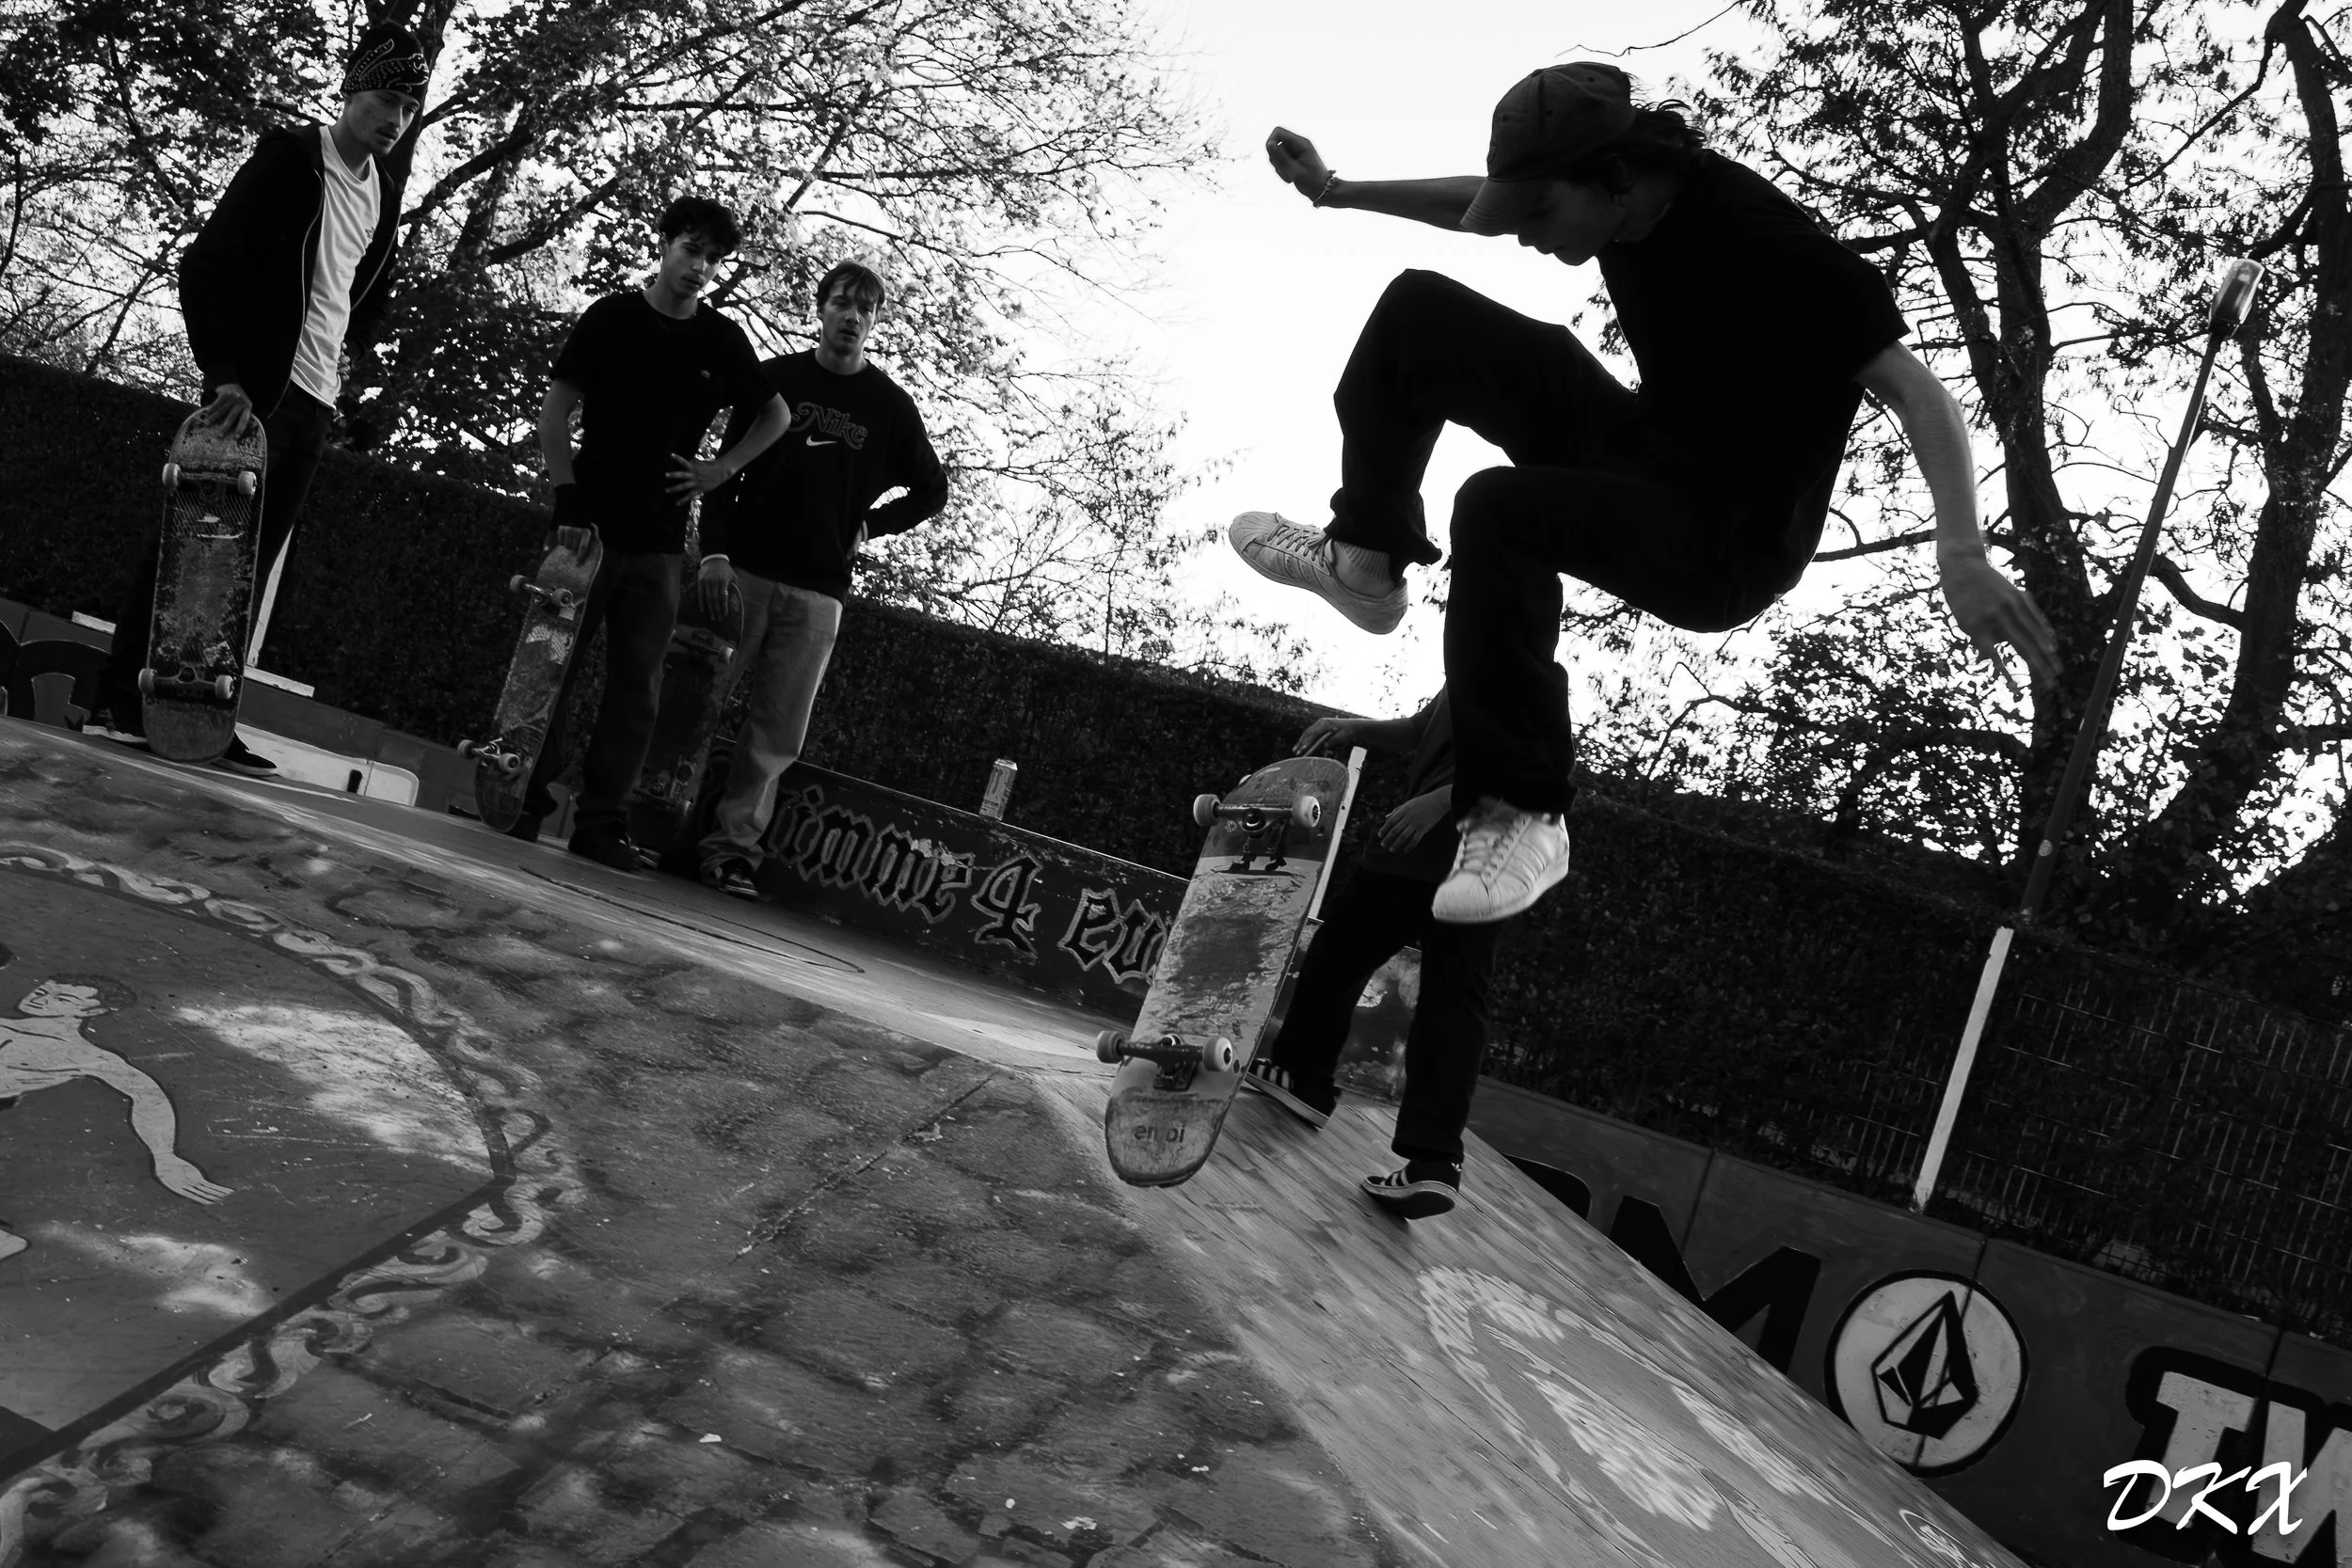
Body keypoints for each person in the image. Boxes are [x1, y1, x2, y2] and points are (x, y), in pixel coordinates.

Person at [1229, 63, 2058, 927]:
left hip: (1724, 540)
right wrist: (1336, 190)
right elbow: (1479, 200)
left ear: (1616, 176)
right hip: (1650, 456)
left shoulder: (1762, 240)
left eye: (1540, 215)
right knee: (1420, 313)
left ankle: (1521, 812)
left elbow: (1918, 391)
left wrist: (1961, 547)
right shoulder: (1608, 196)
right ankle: (1365, 557)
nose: (1527, 237)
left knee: (1497, 509)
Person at [86, 24, 434, 775]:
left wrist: (349, 357)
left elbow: (366, 291)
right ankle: (117, 701)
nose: (395, 119)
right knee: (190, 550)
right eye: (384, 99)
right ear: (351, 90)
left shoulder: (384, 194)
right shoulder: (290, 162)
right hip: (253, 396)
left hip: (314, 402)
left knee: (248, 571)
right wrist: (225, 376)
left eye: (408, 108)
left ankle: (207, 711)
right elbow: (205, 266)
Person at [518, 195, 790, 872]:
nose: (700, 267)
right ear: (664, 243)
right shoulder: (611, 317)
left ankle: (600, 823)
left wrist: (719, 470)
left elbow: (777, 415)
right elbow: (553, 416)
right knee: (550, 666)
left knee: (638, 687)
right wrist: (567, 499)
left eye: (713, 259)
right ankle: (522, 794)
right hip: (587, 532)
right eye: (691, 250)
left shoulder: (720, 340)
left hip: (661, 543)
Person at [691, 260, 947, 898]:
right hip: (742, 575)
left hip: (818, 593)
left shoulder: (890, 408)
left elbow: (932, 490)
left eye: (865, 309)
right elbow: (723, 471)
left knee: (774, 736)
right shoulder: (775, 379)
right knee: (694, 703)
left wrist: (873, 525)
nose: (852, 317)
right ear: (821, 308)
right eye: (842, 303)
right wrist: (713, 554)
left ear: (875, 321)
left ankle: (731, 853)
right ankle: (655, 824)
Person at [1245, 687, 1523, 1219]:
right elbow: (1422, 728)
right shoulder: (1471, 671)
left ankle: (1303, 1075)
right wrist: (1355, 728)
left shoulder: (1520, 674)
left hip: (1437, 848)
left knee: (1343, 951)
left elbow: (1536, 769)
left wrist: (1441, 801)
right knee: (1454, 1000)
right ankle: (1434, 1162)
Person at [0, 976, 232, 1262]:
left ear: (93, 1011)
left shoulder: (88, 1056)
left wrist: (165, 1155)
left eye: (62, 999)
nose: (40, 998)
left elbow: (148, 1095)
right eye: (42, 990)